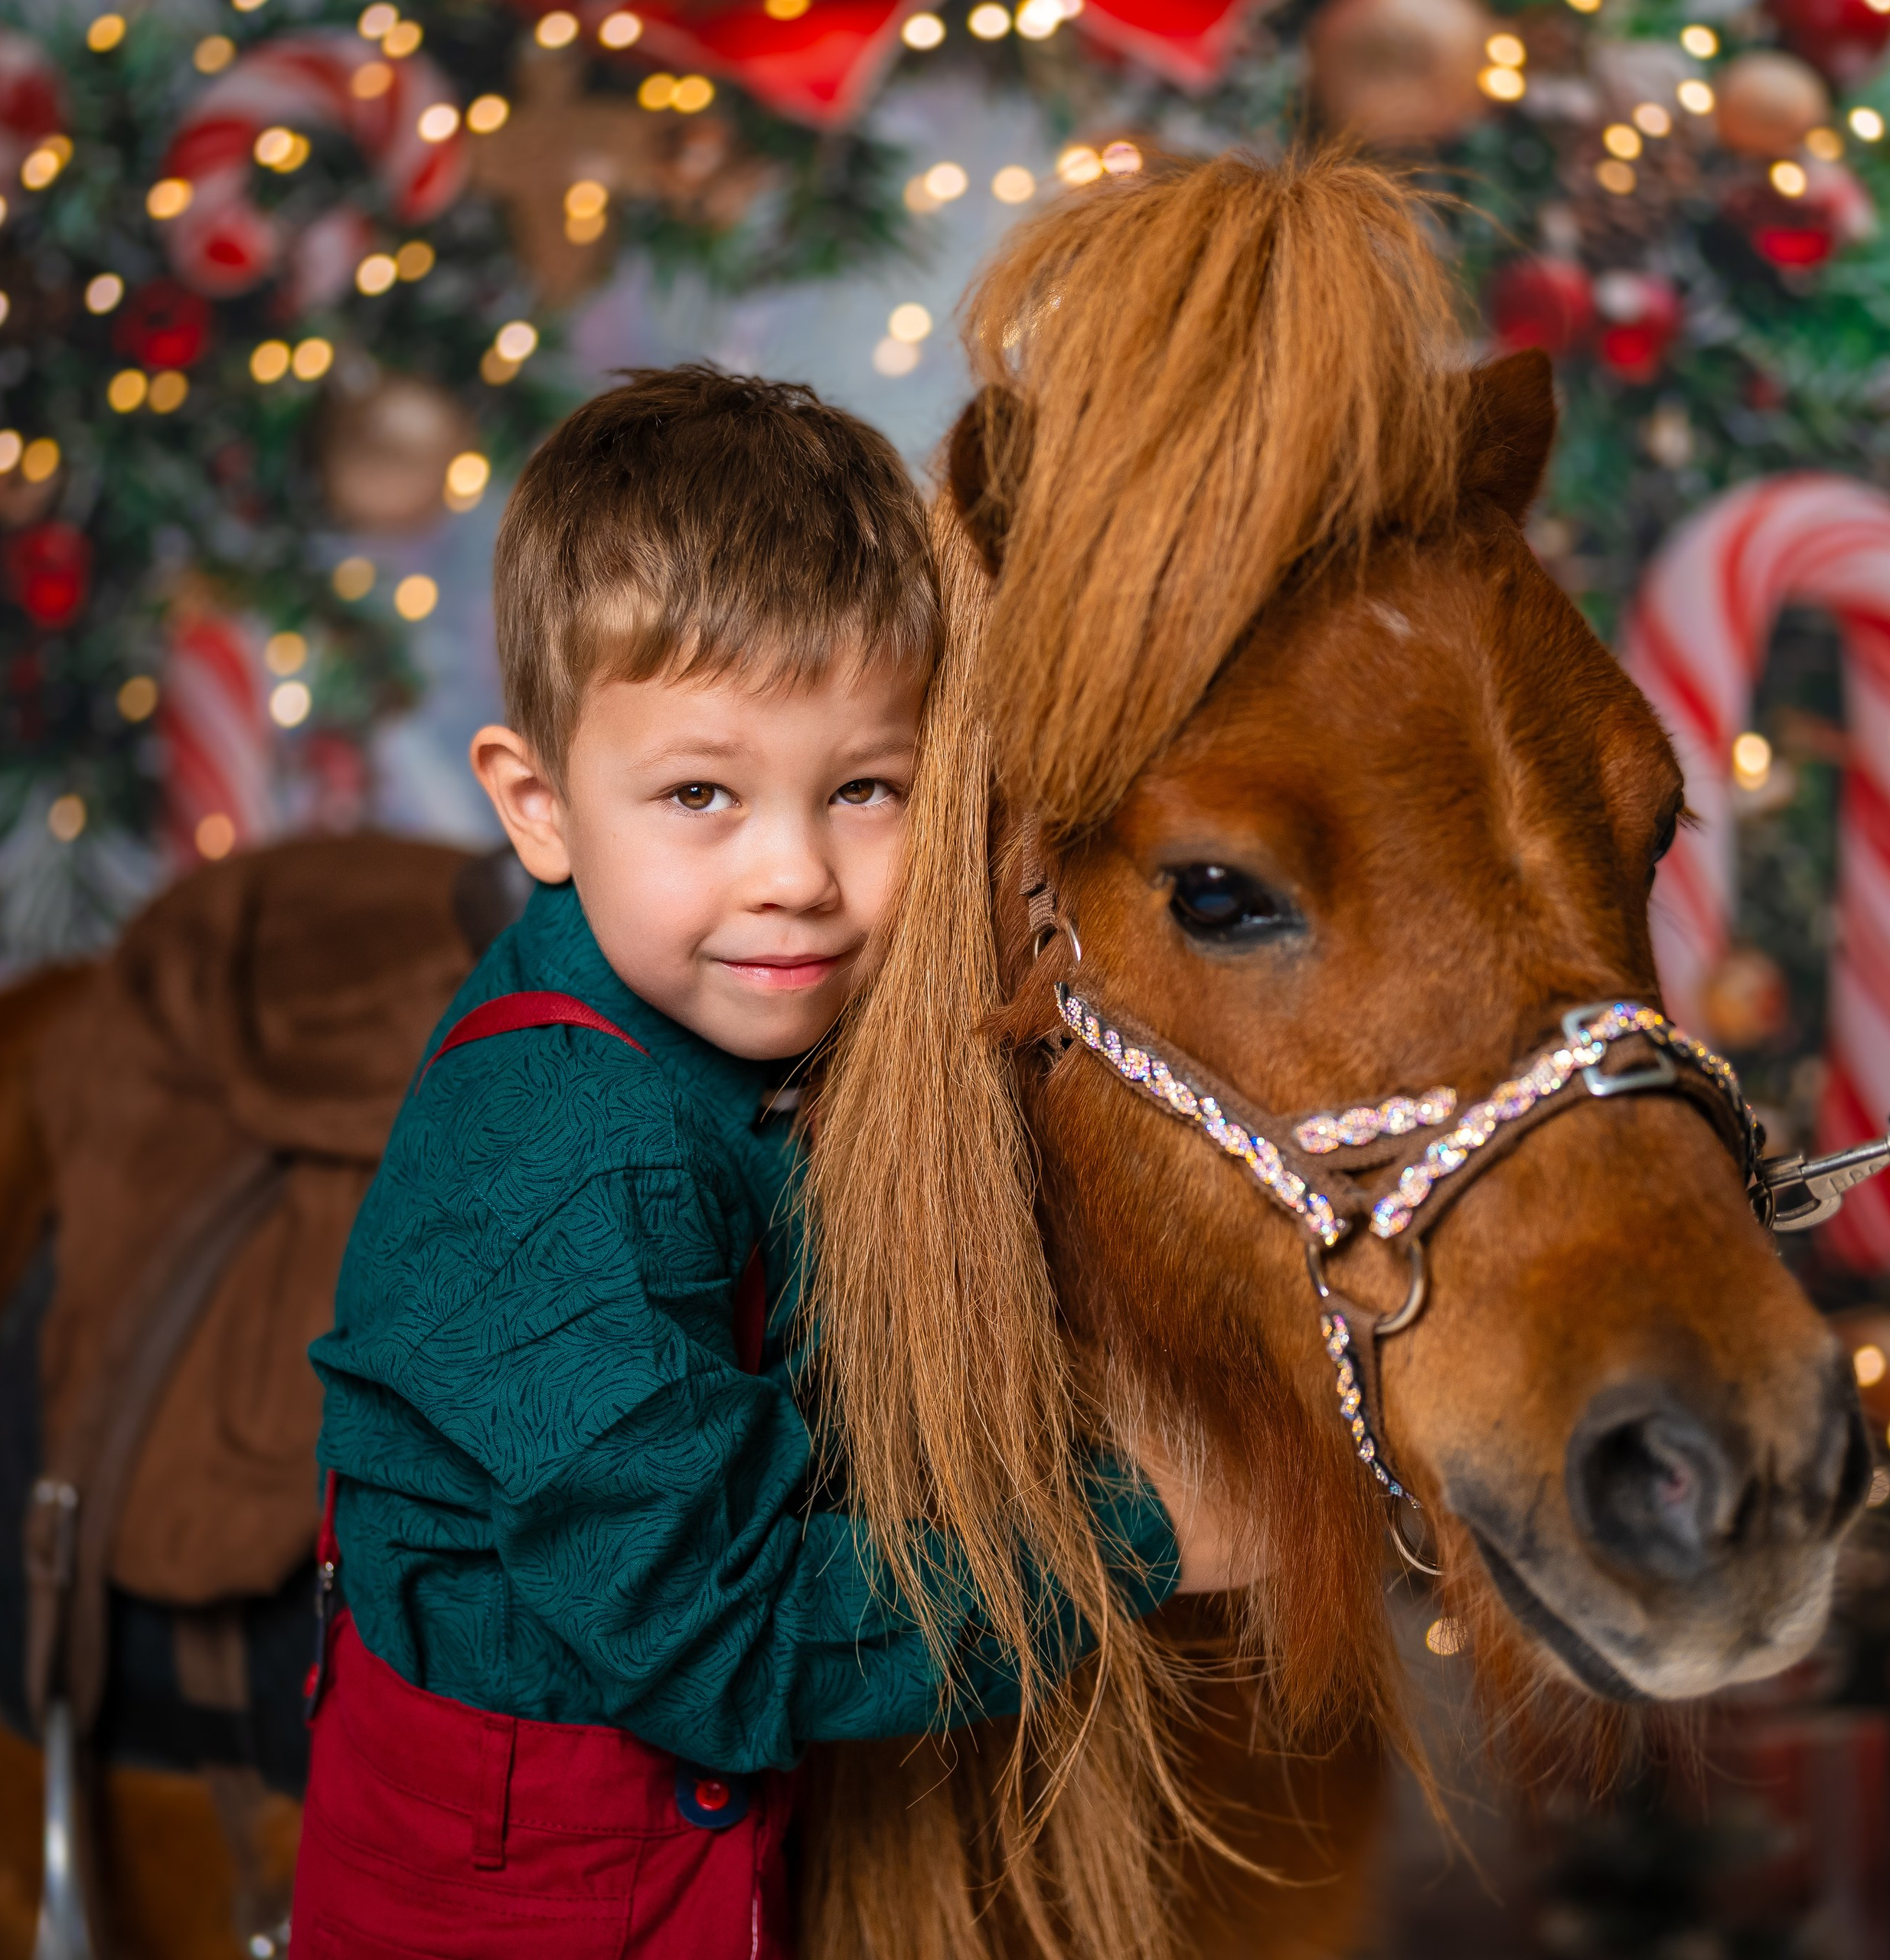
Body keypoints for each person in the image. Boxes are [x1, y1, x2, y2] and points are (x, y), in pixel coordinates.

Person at [289, 369, 1243, 1960]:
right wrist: (1133, 1532)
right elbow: (712, 1631)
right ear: (538, 807)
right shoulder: (560, 1154)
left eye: (865, 787)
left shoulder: (745, 1027)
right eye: (698, 795)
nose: (793, 873)